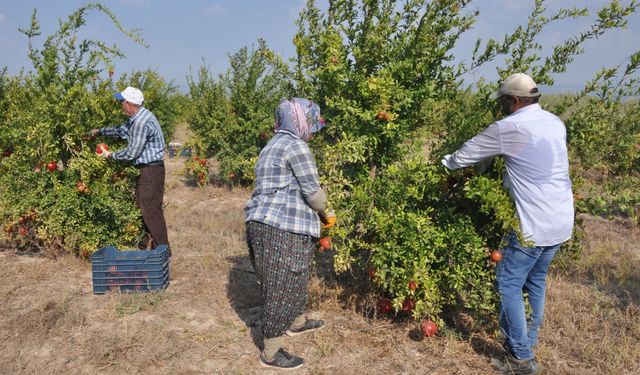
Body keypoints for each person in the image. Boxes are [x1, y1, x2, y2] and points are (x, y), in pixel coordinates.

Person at [441, 73, 574, 375]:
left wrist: (441, 165)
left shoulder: (509, 126)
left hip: (532, 224)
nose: (500, 105)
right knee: (536, 281)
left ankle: (521, 359)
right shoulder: (555, 122)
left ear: (514, 101)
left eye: (503, 100)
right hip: (561, 219)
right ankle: (529, 341)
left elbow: (464, 155)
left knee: (508, 284)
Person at [244, 98, 331, 370]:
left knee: (289, 278)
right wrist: (326, 209)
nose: (314, 132)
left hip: (260, 223)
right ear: (300, 121)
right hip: (283, 227)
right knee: (283, 286)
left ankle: (296, 323)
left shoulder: (271, 146)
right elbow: (313, 194)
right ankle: (270, 353)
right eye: (312, 124)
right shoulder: (297, 146)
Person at [90, 86, 170, 256]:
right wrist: (99, 132)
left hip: (150, 170)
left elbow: (133, 151)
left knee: (151, 211)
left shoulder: (140, 122)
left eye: (122, 102)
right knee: (143, 208)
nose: (121, 106)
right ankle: (146, 248)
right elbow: (122, 130)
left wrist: (110, 155)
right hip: (148, 170)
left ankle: (163, 252)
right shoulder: (140, 116)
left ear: (129, 103)